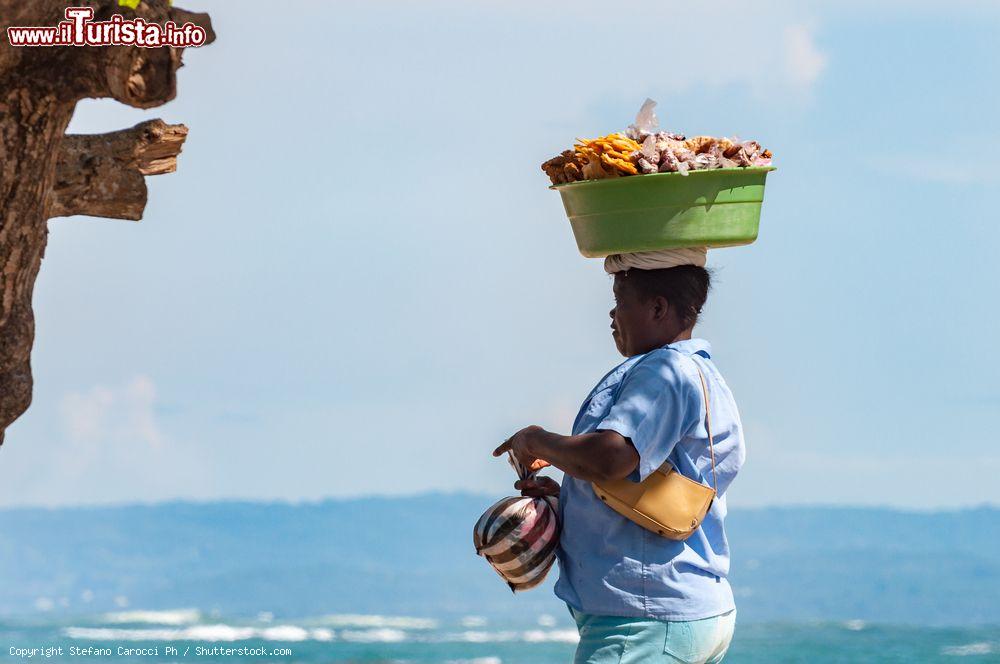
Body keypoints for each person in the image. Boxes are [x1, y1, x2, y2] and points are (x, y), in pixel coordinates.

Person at [493, 262, 745, 664]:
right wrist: (570, 498)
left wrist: (534, 439)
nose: (612, 315)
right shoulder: (697, 373)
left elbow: (609, 456)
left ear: (658, 309)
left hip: (642, 619)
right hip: (673, 613)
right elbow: (648, 485)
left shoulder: (666, 371)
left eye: (620, 303)